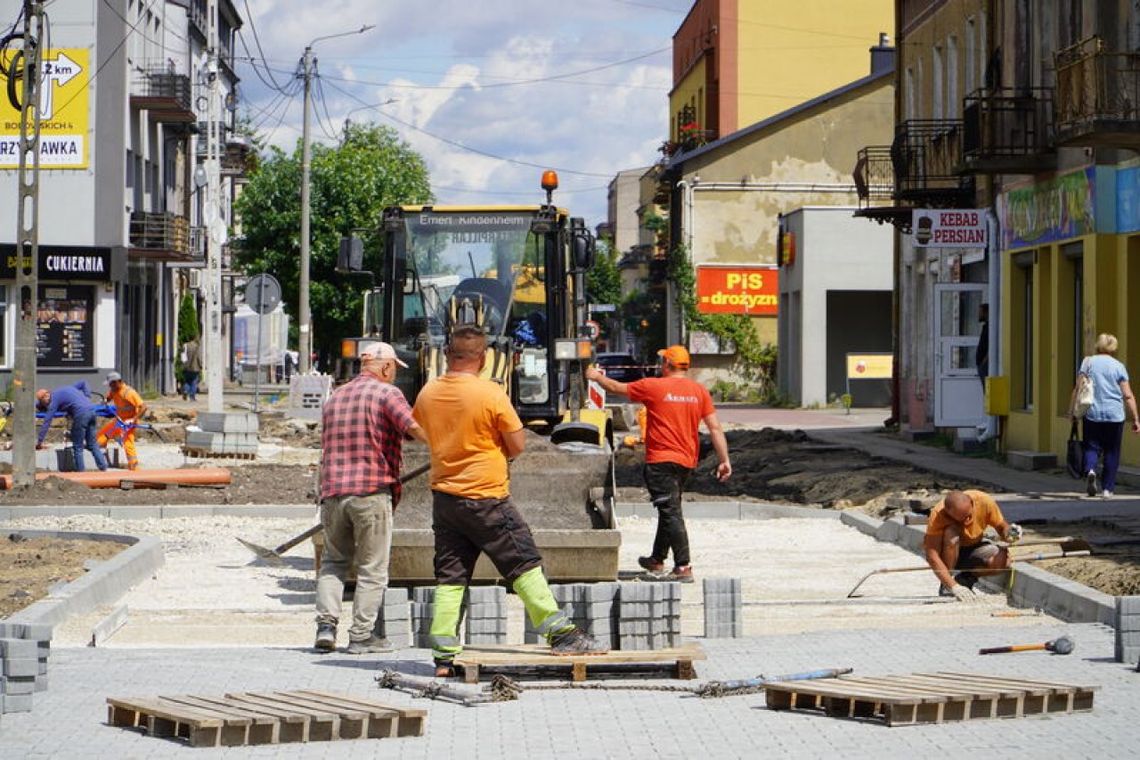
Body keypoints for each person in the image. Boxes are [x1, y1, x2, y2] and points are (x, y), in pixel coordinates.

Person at [413, 325, 608, 677]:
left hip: (445, 500)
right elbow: (517, 445)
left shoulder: (427, 393)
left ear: (447, 355)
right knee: (523, 562)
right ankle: (561, 634)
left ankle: (443, 655)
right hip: (486, 497)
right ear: (485, 357)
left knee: (451, 575)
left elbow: (424, 433)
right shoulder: (490, 394)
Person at [315, 341, 427, 654]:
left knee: (333, 564)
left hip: (333, 494)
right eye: (394, 370)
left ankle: (326, 627)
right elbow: (414, 427)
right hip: (371, 493)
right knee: (372, 569)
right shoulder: (387, 394)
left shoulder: (336, 396)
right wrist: (447, 446)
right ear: (387, 366)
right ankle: (361, 636)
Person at [586, 344, 731, 583]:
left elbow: (616, 387)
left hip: (661, 461)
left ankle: (683, 567)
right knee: (669, 507)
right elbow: (714, 427)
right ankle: (656, 559)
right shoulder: (699, 391)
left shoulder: (654, 386)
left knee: (671, 511)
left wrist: (595, 376)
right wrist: (724, 459)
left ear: (667, 365)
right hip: (686, 461)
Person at [1069, 333, 1140, 498]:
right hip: (1115, 415)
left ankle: (1091, 470)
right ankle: (1107, 489)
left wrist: (1072, 411)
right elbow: (1128, 395)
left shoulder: (1088, 363)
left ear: (1097, 346)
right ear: (1114, 348)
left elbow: (1078, 388)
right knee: (1112, 451)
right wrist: (1135, 418)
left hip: (1092, 412)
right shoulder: (1119, 366)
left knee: (1091, 446)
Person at [923, 489, 1022, 602]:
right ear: (948, 513)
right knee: (951, 534)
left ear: (971, 503)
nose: (967, 520)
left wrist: (1010, 533)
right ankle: (947, 585)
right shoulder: (937, 515)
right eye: (961, 519)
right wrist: (952, 586)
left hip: (973, 549)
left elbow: (1002, 528)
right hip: (947, 554)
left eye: (968, 515)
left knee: (1003, 560)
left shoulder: (984, 501)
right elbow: (932, 555)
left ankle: (965, 579)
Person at [35, 381, 108, 472]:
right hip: (92, 411)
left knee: (78, 446)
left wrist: (39, 442)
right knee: (92, 444)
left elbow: (47, 422)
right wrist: (87, 397)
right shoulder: (65, 390)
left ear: (46, 396)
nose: (46, 406)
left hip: (81, 415)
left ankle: (81, 474)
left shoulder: (53, 401)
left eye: (43, 403)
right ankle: (104, 469)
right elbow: (83, 383)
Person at [97, 371, 147, 471]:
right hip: (119, 421)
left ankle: (134, 466)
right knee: (102, 437)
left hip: (128, 423)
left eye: (111, 384)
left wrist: (133, 420)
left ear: (118, 382)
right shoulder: (114, 390)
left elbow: (144, 407)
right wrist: (105, 401)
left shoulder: (129, 393)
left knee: (128, 443)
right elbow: (109, 396)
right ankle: (100, 460)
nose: (110, 387)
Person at [182, 337, 202, 401]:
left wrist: (184, 364)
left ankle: (185, 390)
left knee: (187, 381)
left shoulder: (185, 345)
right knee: (194, 382)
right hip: (195, 368)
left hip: (187, 367)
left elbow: (183, 355)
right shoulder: (196, 347)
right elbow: (199, 357)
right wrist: (201, 365)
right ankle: (192, 397)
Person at [975, 303, 989, 390]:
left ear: (986, 312)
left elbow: (990, 346)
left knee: (987, 389)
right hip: (981, 364)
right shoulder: (986, 327)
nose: (979, 315)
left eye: (980, 312)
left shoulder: (989, 327)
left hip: (984, 364)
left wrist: (984, 361)